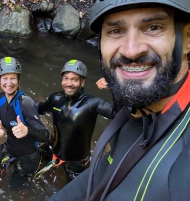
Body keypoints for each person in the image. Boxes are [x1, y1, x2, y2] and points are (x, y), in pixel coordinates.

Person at [47, 0, 190, 200]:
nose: (131, 51)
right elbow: (105, 171)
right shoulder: (132, 112)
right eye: (115, 31)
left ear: (187, 38)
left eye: (153, 27)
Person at [36, 59, 115, 181]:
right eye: (66, 78)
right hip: (51, 150)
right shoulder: (55, 98)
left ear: (82, 82)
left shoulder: (93, 103)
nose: (69, 83)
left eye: (74, 79)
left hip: (77, 162)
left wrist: (114, 86)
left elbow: (124, 112)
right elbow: (35, 110)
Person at [0, 57, 50, 190]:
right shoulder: (1, 98)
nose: (9, 83)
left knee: (15, 188)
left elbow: (45, 135)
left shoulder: (25, 103)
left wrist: (27, 131)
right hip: (10, 147)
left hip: (28, 156)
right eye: (5, 78)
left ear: (19, 80)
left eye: (13, 78)